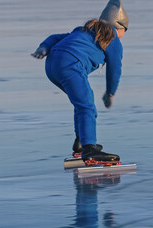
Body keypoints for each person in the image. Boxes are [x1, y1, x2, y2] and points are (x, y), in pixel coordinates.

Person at [31, 0, 128, 161]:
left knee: (82, 102)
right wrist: (110, 92)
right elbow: (115, 69)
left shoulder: (84, 30)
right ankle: (89, 149)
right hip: (70, 65)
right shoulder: (112, 37)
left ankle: (82, 142)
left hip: (52, 65)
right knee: (87, 106)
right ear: (119, 26)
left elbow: (55, 37)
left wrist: (43, 48)